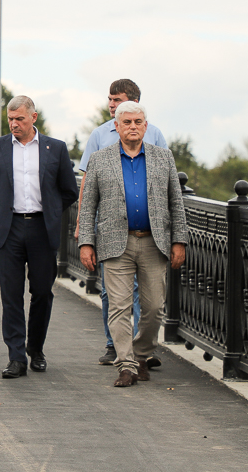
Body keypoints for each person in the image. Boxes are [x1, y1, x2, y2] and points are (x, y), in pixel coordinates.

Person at [76, 101, 188, 388]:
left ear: (145, 126)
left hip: (154, 242)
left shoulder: (164, 158)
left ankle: (140, 354)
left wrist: (179, 240)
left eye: (138, 122)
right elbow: (88, 205)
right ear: (117, 126)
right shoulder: (100, 160)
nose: (133, 127)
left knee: (153, 309)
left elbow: (176, 202)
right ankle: (125, 364)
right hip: (116, 243)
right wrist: (86, 243)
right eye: (127, 122)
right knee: (119, 307)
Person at [0, 96, 79, 379]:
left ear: (34, 117)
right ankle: (16, 356)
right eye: (10, 119)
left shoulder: (54, 148)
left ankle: (36, 348)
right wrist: (1, 211)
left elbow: (69, 190)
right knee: (11, 295)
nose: (14, 124)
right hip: (9, 229)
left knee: (43, 292)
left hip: (42, 228)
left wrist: (53, 213)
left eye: (19, 119)